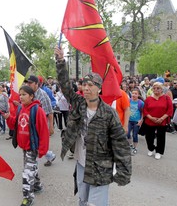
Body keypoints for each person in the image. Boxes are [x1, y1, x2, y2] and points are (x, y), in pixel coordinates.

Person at [54, 46, 131, 206]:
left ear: (99, 88)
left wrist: (124, 171)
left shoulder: (109, 113)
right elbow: (65, 87)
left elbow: (120, 144)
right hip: (82, 162)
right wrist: (60, 61)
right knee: (82, 199)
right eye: (84, 84)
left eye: (91, 85)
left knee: (96, 203)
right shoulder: (79, 103)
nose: (87, 88)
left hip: (101, 166)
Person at [4, 86, 49, 206]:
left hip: (33, 147)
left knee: (27, 172)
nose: (21, 97)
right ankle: (37, 185)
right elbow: (15, 125)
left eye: (24, 94)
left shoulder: (37, 110)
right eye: (20, 94)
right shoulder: (21, 109)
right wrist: (8, 118)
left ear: (31, 96)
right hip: (24, 147)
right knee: (31, 167)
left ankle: (28, 198)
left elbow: (43, 131)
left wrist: (42, 149)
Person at [27, 75, 56, 167]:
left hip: (41, 125)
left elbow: (50, 112)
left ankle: (33, 168)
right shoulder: (29, 95)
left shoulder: (43, 95)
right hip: (31, 124)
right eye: (28, 82)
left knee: (38, 144)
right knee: (36, 144)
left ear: (37, 84)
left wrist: (51, 127)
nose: (28, 84)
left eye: (30, 83)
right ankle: (50, 155)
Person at [143, 82, 173, 160]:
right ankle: (151, 148)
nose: (156, 89)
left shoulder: (166, 98)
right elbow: (145, 110)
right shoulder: (148, 98)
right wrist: (151, 118)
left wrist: (162, 118)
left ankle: (158, 151)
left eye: (158, 88)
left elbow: (170, 110)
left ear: (162, 89)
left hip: (162, 121)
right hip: (150, 121)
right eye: (154, 88)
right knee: (149, 137)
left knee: (161, 137)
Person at [128, 89, 144, 155]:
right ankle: (130, 145)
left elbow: (143, 112)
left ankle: (135, 148)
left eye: (135, 93)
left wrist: (141, 120)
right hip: (129, 120)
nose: (134, 95)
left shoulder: (141, 103)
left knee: (135, 135)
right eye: (133, 93)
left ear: (138, 95)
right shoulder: (129, 101)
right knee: (127, 133)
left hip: (136, 121)